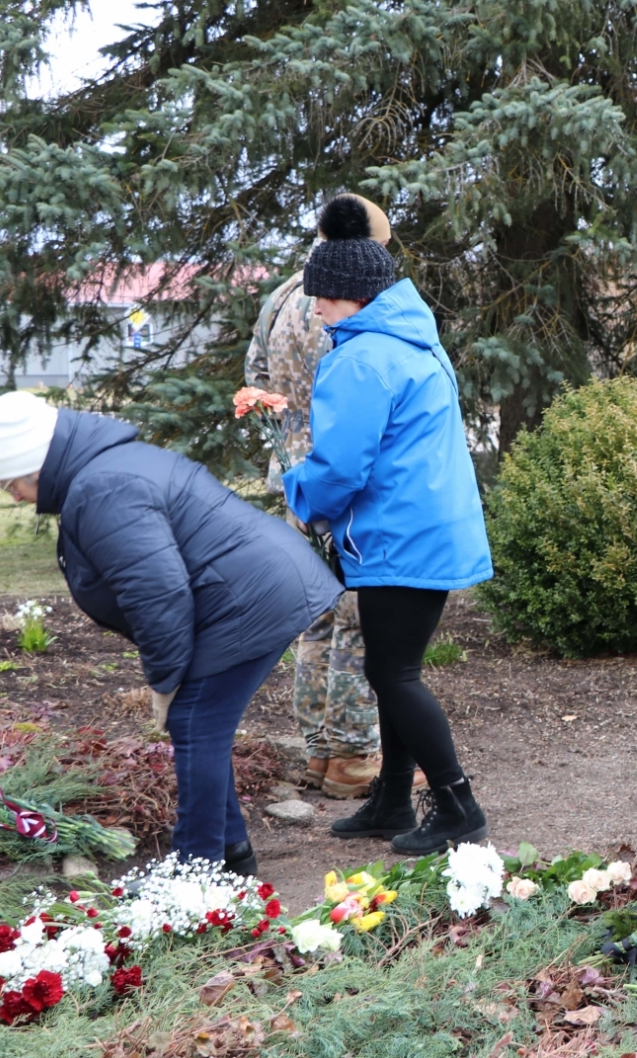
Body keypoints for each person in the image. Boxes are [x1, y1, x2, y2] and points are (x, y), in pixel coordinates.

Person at [0, 391, 340, 876]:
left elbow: (157, 592)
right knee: (198, 724)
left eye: (9, 482)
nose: (12, 495)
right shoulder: (103, 469)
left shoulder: (101, 487)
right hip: (247, 588)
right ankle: (230, 853)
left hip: (248, 597)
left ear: (35, 465)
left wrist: (164, 682)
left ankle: (195, 874)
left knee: (196, 723)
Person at [285, 195, 495, 857]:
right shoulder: (411, 340)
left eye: (321, 295)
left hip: (398, 535)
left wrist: (300, 493)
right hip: (428, 528)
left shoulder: (361, 359)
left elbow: (340, 466)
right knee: (392, 669)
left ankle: (458, 804)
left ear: (349, 295)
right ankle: (394, 796)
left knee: (393, 673)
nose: (314, 307)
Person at [244, 193, 399, 801]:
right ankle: (355, 757)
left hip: (295, 476)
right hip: (345, 478)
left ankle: (316, 751)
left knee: (314, 620)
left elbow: (256, 377)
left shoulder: (284, 296)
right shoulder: (356, 304)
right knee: (357, 622)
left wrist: (291, 437)